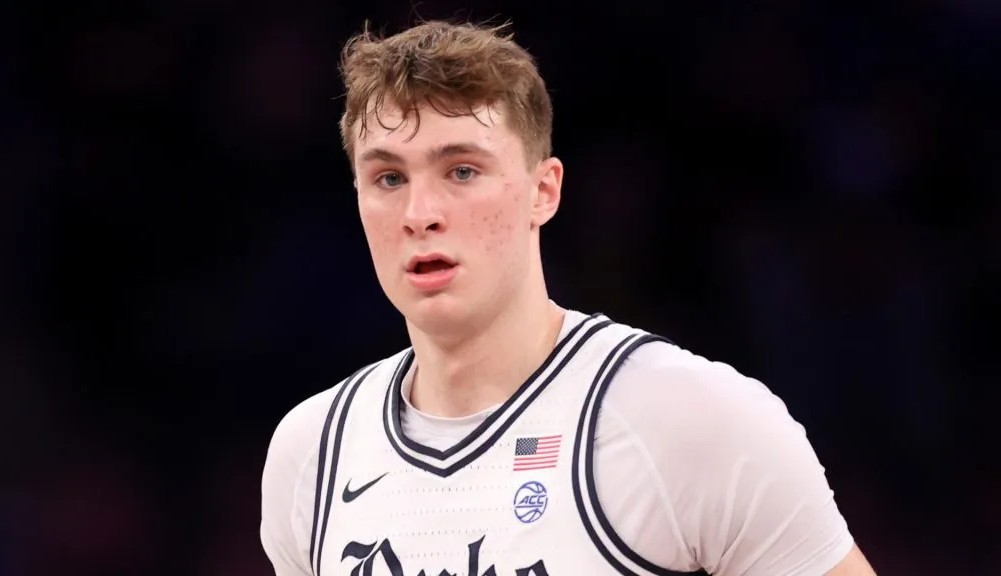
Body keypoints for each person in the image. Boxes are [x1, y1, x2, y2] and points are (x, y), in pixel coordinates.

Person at [259, 20, 877, 576]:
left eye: (462, 171)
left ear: (543, 191)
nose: (420, 214)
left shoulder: (688, 417)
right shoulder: (310, 452)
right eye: (389, 178)